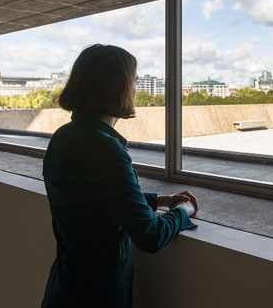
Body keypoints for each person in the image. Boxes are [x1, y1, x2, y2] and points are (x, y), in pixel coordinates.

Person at [42, 44, 198, 308]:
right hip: (99, 296)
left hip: (63, 289)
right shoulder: (105, 150)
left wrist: (158, 200)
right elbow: (150, 235)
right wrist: (183, 210)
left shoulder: (63, 138)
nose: (136, 89)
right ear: (117, 87)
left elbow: (97, 199)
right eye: (134, 81)